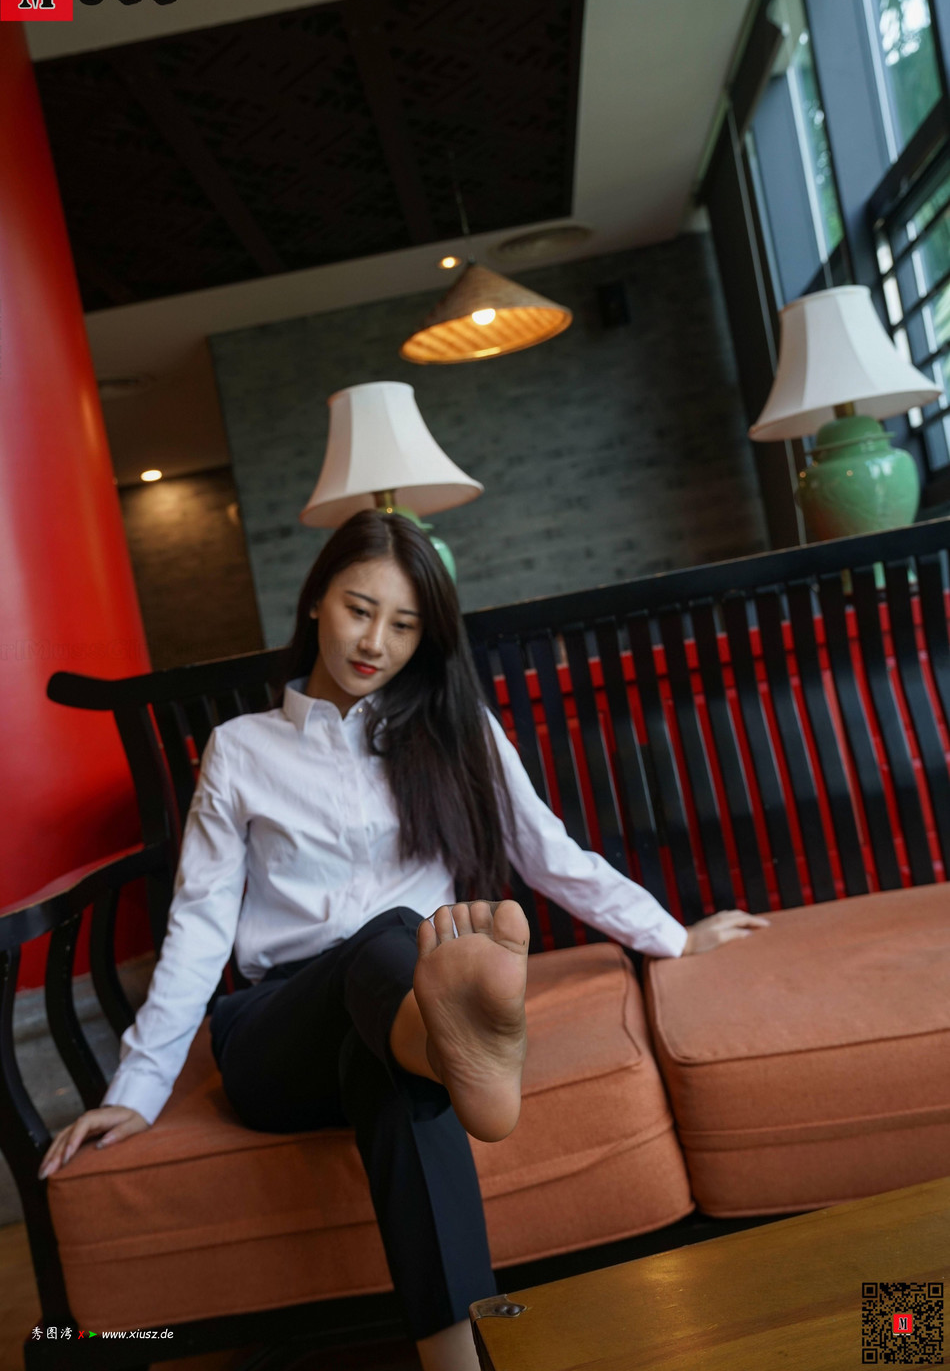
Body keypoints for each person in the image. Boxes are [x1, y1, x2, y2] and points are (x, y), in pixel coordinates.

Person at [37, 509, 770, 1371]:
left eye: (404, 624)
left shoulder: (456, 730)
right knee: (395, 942)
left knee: (392, 1069)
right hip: (281, 1028)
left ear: (427, 638)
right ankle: (447, 1043)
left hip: (401, 1012)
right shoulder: (240, 751)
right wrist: (137, 1086)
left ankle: (455, 1356)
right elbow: (199, 922)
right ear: (316, 599)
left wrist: (671, 938)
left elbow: (549, 853)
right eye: (359, 609)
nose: (375, 642)